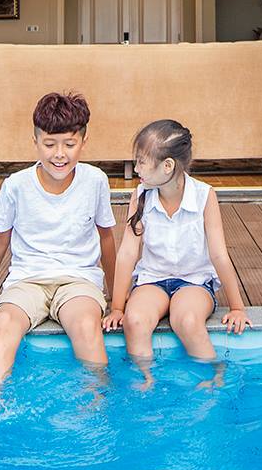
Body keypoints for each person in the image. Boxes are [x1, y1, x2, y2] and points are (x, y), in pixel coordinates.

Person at [0, 90, 117, 385]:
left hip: (78, 281)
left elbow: (107, 238)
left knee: (87, 326)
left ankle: (98, 402)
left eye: (69, 144)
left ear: (83, 142)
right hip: (27, 281)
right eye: (49, 144)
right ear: (35, 141)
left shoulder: (95, 180)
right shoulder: (16, 185)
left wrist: (117, 300)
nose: (59, 154)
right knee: (4, 323)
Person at [103, 120, 252, 387]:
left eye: (141, 162)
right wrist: (116, 307)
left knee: (187, 320)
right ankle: (145, 380)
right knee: (135, 320)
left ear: (167, 166)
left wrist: (237, 307)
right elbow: (127, 253)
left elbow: (219, 254)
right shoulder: (141, 195)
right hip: (152, 280)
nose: (136, 169)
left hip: (193, 282)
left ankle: (213, 378)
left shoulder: (204, 196)